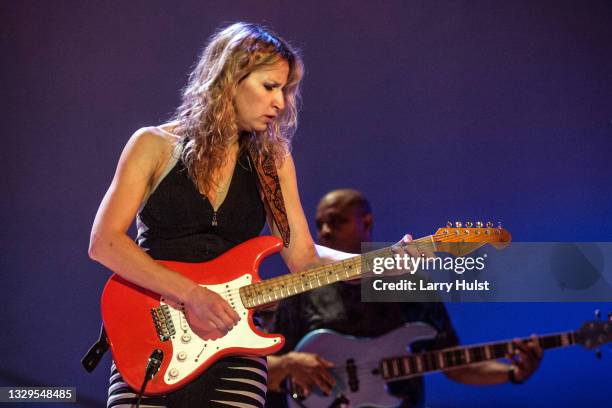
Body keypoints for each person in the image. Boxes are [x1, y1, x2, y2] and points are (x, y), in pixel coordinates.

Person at [88, 23, 372, 408]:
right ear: (230, 78)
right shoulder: (153, 144)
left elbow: (303, 257)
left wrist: (377, 264)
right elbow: (105, 242)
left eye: (285, 91)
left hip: (234, 348)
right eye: (270, 87)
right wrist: (191, 295)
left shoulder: (273, 163)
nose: (281, 103)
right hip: (150, 339)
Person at [265, 189, 543, 408]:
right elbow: (263, 367)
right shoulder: (303, 289)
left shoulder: (412, 287)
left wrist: (512, 373)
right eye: (320, 224)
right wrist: (289, 364)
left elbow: (455, 365)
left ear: (367, 222)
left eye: (337, 221)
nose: (325, 231)